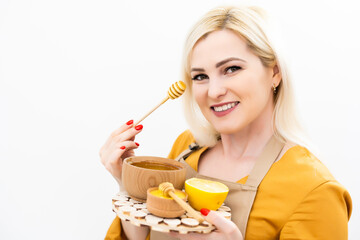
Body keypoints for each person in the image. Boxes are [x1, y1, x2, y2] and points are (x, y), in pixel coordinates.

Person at [100, 5, 352, 240]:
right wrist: (128, 186)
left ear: (274, 72)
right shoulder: (186, 148)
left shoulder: (316, 192)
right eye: (200, 76)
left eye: (231, 69)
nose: (214, 91)